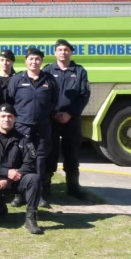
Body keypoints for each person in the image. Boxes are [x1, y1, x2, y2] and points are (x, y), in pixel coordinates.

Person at [0, 104, 44, 234]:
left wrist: (9, 179)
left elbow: (29, 164)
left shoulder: (24, 139)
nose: (6, 119)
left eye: (9, 116)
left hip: (15, 180)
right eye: (3, 116)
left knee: (34, 179)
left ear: (15, 119)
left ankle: (31, 218)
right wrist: (6, 172)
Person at [6, 48, 58, 208]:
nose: (34, 62)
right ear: (25, 61)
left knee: (40, 160)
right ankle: (19, 194)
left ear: (41, 61)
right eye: (31, 59)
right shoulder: (16, 79)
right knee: (20, 159)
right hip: (21, 127)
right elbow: (9, 100)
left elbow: (54, 101)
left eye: (37, 59)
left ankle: (39, 194)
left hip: (42, 127)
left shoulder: (49, 80)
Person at [43, 39, 90, 199]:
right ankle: (45, 187)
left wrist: (69, 113)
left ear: (71, 52)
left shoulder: (79, 71)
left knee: (72, 154)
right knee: (50, 153)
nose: (63, 52)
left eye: (66, 50)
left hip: (72, 120)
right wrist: (54, 113)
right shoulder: (48, 70)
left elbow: (84, 96)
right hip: (52, 120)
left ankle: (73, 187)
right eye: (60, 49)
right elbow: (43, 95)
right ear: (55, 53)